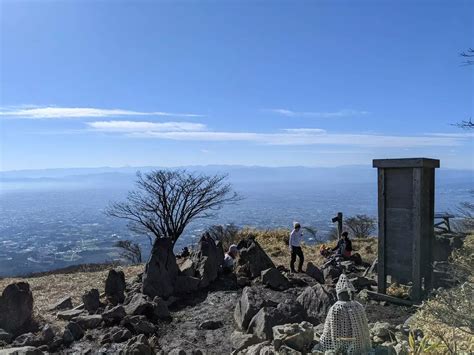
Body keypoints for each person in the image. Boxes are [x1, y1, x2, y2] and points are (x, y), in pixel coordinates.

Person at [316, 274, 371, 354]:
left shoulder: (336, 308)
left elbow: (330, 330)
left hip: (341, 340)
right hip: (357, 341)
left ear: (338, 294)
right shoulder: (358, 306)